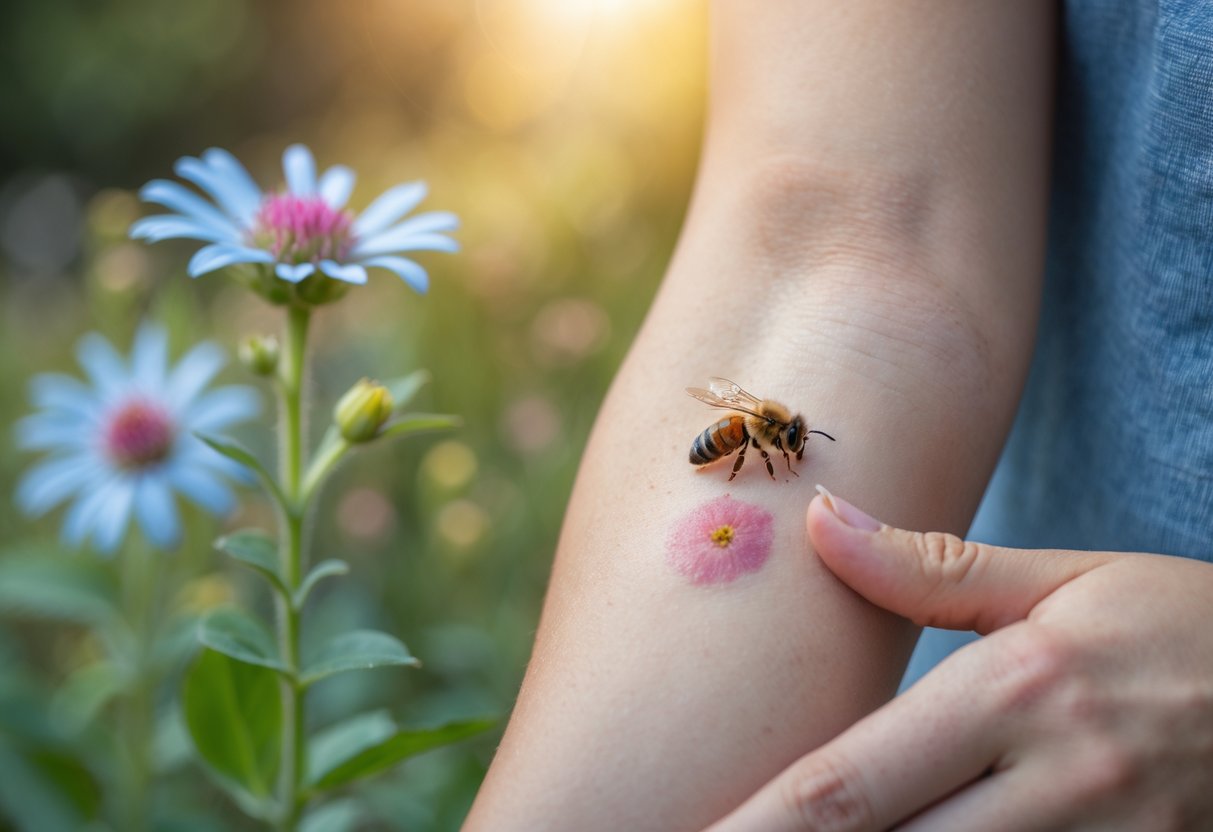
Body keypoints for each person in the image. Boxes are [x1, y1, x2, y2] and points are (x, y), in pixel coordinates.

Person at [465, 2, 1213, 830]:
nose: (788, 448)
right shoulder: (765, 431)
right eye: (787, 440)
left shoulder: (768, 436)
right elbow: (846, 234)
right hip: (1016, 697)